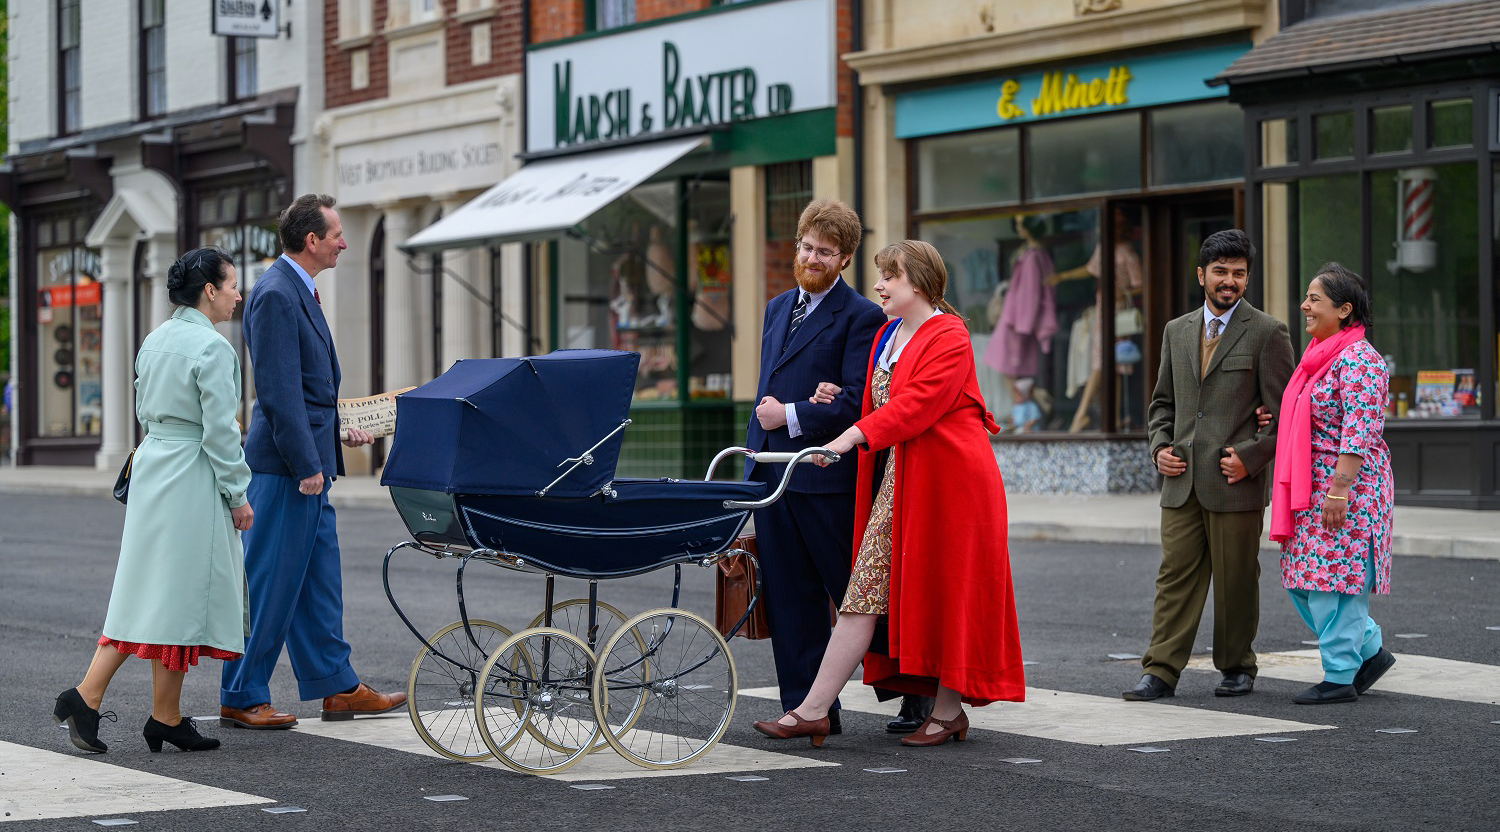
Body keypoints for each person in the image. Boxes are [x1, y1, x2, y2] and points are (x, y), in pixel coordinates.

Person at [752, 240, 1026, 747]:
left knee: (950, 591)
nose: (878, 285)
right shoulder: (888, 334)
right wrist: (829, 398)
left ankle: (946, 712)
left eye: (889, 277)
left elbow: (916, 405)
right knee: (864, 592)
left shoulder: (950, 333)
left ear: (917, 284)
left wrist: (846, 438)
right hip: (903, 479)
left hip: (953, 486)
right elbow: (872, 399)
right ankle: (811, 710)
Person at [53, 247, 254, 754]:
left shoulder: (156, 338)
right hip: (192, 473)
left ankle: (164, 715)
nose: (237, 294)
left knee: (161, 591)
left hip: (154, 464)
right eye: (232, 284)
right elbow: (221, 433)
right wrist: (238, 493)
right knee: (170, 593)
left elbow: (149, 409)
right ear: (209, 290)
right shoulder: (213, 349)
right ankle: (88, 694)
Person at [743, 199, 932, 735]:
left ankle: (913, 691)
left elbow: (858, 403)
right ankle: (810, 709)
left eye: (825, 252)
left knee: (857, 593)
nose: (812, 257)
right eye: (806, 247)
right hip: (775, 475)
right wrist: (757, 446)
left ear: (845, 258)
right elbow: (766, 390)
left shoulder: (863, 316)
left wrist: (793, 414)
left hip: (830, 479)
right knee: (789, 598)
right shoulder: (777, 307)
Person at [220, 194, 402, 729]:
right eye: (338, 234)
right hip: (286, 470)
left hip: (310, 461)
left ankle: (336, 685)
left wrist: (338, 431)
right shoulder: (277, 294)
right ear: (311, 241)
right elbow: (276, 393)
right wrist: (306, 463)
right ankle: (240, 692)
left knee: (320, 579)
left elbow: (306, 391)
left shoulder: (298, 290)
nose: (345, 242)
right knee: (270, 580)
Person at [1125, 229, 1295, 702]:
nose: (1230, 281)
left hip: (1234, 480)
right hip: (1180, 480)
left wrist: (1251, 457)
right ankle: (1159, 670)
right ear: (1201, 275)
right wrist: (1159, 447)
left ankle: (1238, 666)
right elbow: (1162, 403)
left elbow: (1286, 416)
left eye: (1239, 273)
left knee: (1237, 576)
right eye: (1220, 272)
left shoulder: (1267, 331)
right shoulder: (1175, 331)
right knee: (1174, 575)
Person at [1270, 263, 1396, 704]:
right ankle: (1370, 650)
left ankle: (1341, 676)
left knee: (1335, 585)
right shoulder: (1317, 357)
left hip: (1349, 490)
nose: (1304, 306)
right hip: (1310, 489)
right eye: (1306, 297)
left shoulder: (1361, 360)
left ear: (1344, 310)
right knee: (1303, 579)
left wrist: (1339, 489)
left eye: (1314, 299)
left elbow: (1359, 431)